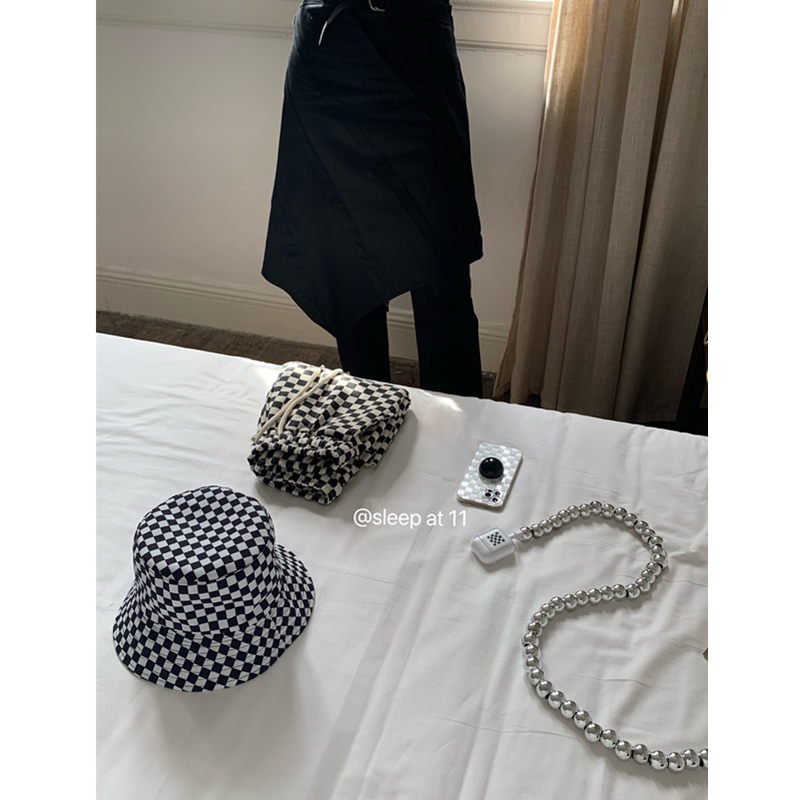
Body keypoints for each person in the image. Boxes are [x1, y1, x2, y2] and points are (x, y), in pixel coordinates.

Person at [261, 0, 484, 397]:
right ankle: (367, 405)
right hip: (329, 52)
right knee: (344, 249)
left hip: (418, 47)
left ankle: (461, 418)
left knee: (442, 254)